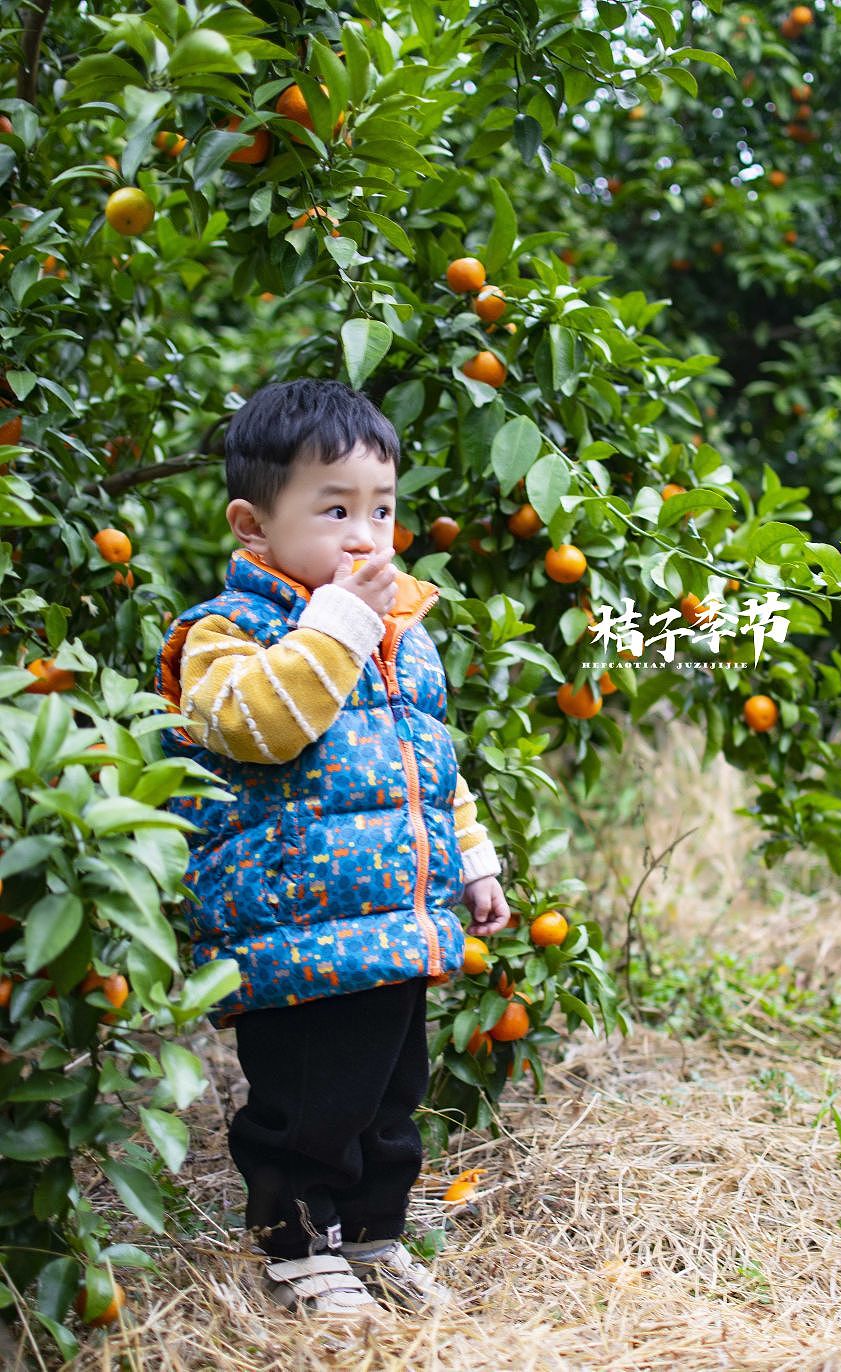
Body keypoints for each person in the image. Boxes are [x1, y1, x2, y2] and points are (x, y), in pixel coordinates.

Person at [153, 378, 512, 1318]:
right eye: (335, 510)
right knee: (312, 1103)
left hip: (392, 921)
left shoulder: (400, 637)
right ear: (253, 525)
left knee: (390, 1101)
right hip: (295, 929)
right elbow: (259, 725)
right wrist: (340, 625)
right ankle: (296, 1245)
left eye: (381, 510)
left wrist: (473, 860)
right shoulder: (225, 633)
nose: (365, 536)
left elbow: (427, 763)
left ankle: (372, 1236)